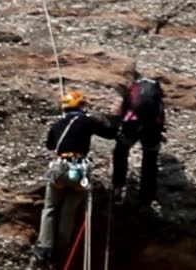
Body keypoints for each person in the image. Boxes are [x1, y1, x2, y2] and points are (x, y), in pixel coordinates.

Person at [32, 90, 118, 267]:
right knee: (68, 213)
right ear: (81, 105)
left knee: (50, 208)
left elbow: (50, 145)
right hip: (79, 171)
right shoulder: (86, 120)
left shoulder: (57, 125)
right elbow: (110, 133)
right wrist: (115, 118)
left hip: (60, 169)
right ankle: (61, 251)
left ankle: (44, 248)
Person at [111, 76, 166, 208]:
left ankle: (118, 188)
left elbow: (123, 110)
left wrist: (120, 125)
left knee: (121, 151)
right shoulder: (155, 91)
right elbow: (161, 113)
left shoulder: (133, 89)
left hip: (132, 124)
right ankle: (146, 198)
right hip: (151, 128)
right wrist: (160, 130)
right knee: (150, 160)